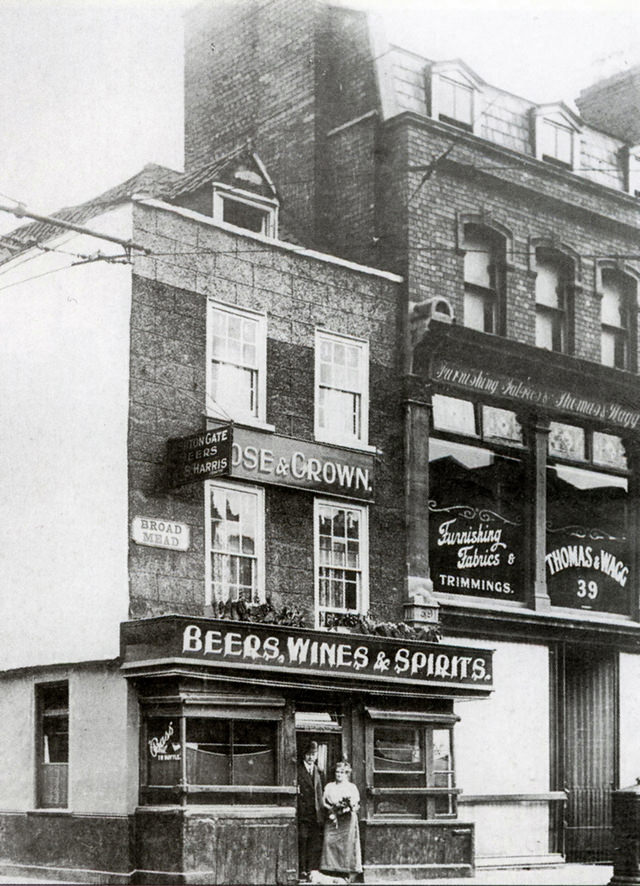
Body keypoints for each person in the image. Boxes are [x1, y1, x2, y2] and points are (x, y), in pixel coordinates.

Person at [320, 760, 362, 882]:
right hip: (333, 818)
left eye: (342, 772)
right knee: (329, 841)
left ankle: (346, 870)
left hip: (347, 820)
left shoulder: (351, 787)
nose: (339, 774)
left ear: (347, 774)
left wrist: (347, 808)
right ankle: (331, 869)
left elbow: (356, 804)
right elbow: (323, 802)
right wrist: (332, 809)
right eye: (337, 772)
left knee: (347, 845)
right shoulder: (329, 786)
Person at [297, 740, 324, 880]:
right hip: (302, 813)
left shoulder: (319, 771)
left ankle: (310, 869)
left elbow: (320, 793)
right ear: (304, 755)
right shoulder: (297, 770)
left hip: (315, 813)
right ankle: (301, 869)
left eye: (313, 754)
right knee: (302, 840)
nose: (311, 757)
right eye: (308, 754)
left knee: (313, 842)